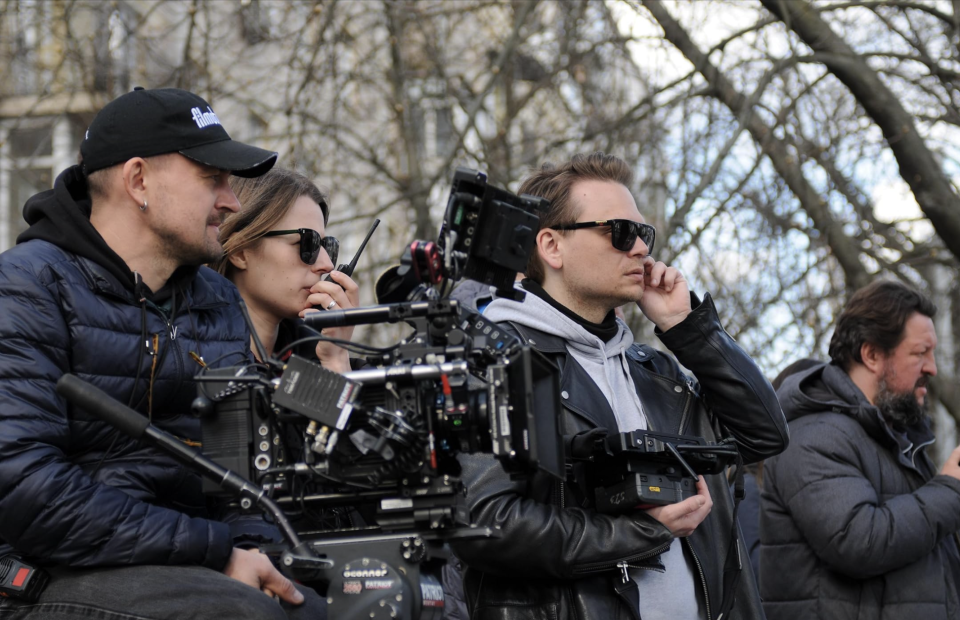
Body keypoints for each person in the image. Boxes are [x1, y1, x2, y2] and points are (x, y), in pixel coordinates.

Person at [0, 87, 324, 619]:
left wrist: (257, 555)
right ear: (138, 181)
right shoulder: (28, 287)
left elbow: (241, 480)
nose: (232, 200)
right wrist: (218, 552)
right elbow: (26, 491)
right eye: (212, 178)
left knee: (350, 602)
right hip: (44, 574)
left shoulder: (215, 298)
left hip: (179, 564)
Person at [451, 152, 788, 620]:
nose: (640, 250)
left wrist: (688, 327)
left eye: (643, 235)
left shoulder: (657, 373)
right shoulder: (496, 360)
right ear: (551, 246)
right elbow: (486, 523)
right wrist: (640, 533)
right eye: (620, 233)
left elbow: (765, 435)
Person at [760, 280, 960, 620]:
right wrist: (951, 490)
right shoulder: (814, 434)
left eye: (932, 353)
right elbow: (858, 542)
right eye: (919, 353)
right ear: (871, 355)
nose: (932, 368)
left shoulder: (897, 438)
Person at [214, 167, 359, 371]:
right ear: (240, 251)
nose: (327, 265)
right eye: (307, 244)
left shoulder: (319, 353)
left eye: (327, 246)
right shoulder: (186, 358)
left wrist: (336, 360)